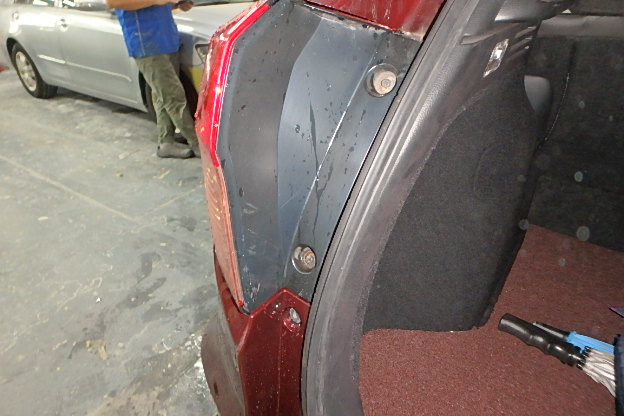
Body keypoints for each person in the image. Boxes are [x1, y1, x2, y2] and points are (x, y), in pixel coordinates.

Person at [106, 0, 200, 159]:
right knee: (173, 95)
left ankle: (166, 142)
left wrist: (177, 4)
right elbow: (114, 2)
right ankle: (198, 145)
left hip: (165, 38)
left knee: (163, 95)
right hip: (146, 42)